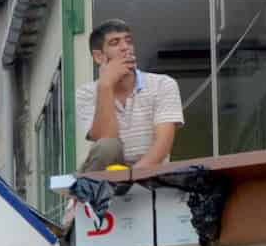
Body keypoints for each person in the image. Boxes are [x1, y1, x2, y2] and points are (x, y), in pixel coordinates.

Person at [75, 19, 184, 172]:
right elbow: (106, 141)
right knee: (107, 145)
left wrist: (132, 178)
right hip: (105, 177)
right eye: (115, 43)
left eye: (128, 41)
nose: (125, 48)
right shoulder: (86, 93)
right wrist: (106, 86)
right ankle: (85, 194)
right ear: (99, 57)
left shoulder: (162, 84)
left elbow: (163, 144)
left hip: (149, 174)